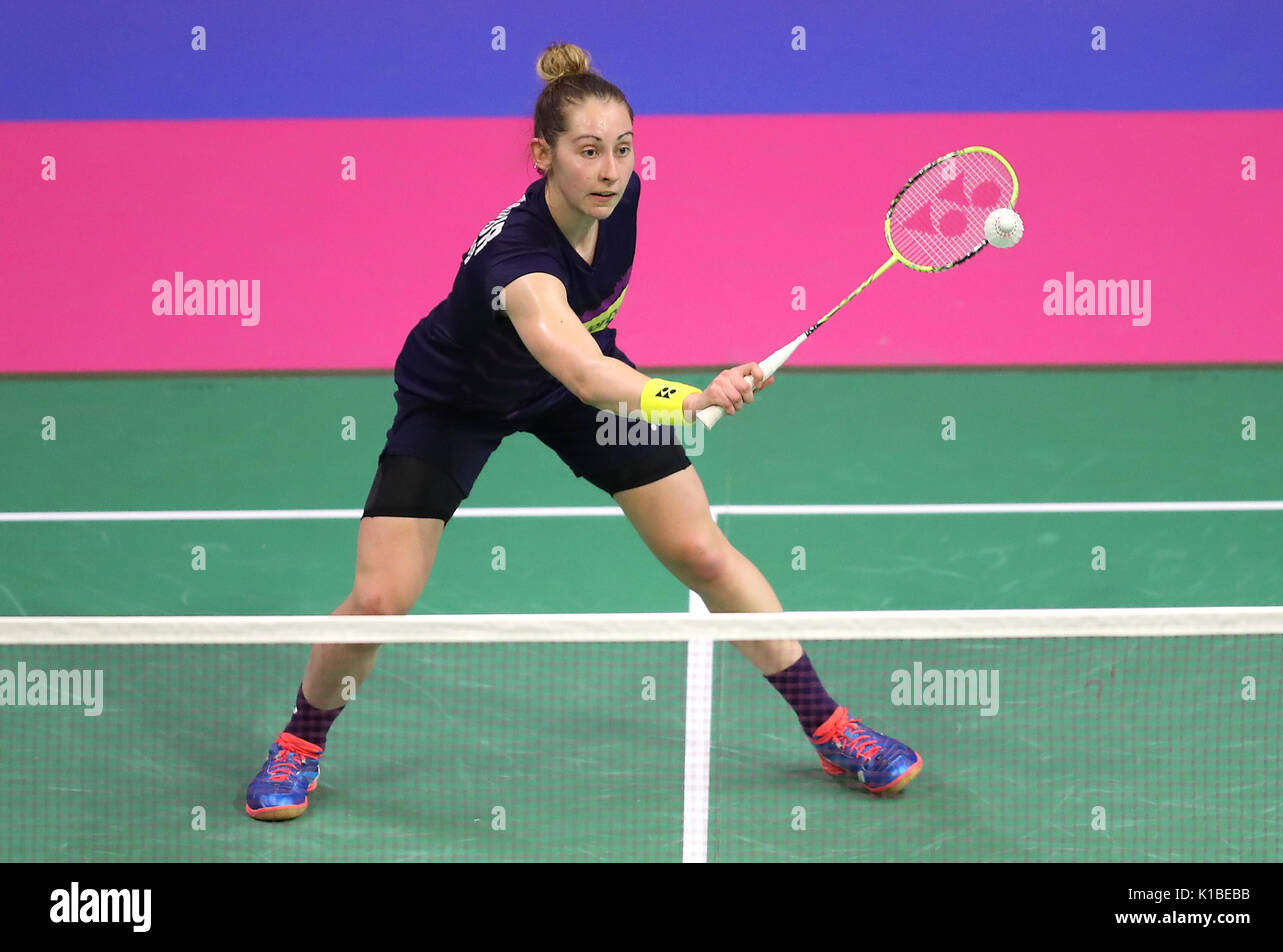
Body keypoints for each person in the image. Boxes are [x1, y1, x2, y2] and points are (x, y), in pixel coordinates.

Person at [245, 42, 921, 822]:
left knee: (701, 550)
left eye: (624, 151)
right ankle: (300, 741)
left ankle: (832, 727)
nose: (609, 170)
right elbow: (590, 379)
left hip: (571, 385)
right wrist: (692, 400)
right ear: (543, 155)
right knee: (379, 599)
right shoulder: (520, 263)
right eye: (589, 152)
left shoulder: (619, 202)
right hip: (461, 400)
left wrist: (671, 400)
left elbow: (592, 360)